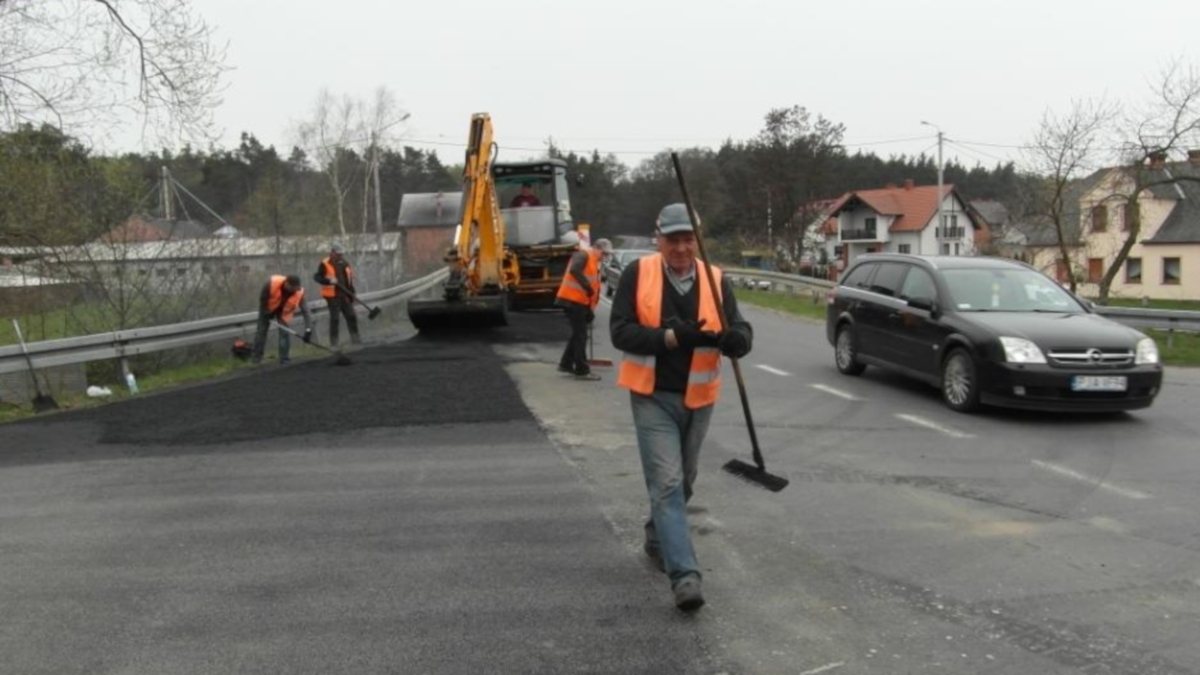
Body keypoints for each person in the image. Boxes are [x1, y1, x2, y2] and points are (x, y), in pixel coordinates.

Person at [610, 203, 753, 612]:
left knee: (683, 480)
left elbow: (739, 325)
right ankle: (685, 576)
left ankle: (657, 535)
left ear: (698, 240)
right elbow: (620, 332)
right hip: (652, 396)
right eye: (673, 239)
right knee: (669, 483)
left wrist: (738, 340)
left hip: (699, 399)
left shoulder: (715, 279)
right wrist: (671, 338)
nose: (681, 247)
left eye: (688, 239)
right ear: (659, 239)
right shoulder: (639, 274)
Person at [555, 238, 612, 380]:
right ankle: (582, 370)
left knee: (577, 334)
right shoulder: (584, 255)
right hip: (571, 300)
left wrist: (589, 310)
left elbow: (594, 289)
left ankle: (566, 364)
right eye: (604, 254)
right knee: (581, 335)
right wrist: (587, 287)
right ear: (597, 248)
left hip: (580, 302)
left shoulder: (594, 261)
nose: (604, 257)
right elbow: (575, 270)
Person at [252, 274, 314, 365]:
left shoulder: (298, 292)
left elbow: (306, 312)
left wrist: (308, 330)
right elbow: (263, 298)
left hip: (283, 311)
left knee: (284, 333)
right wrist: (266, 312)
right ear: (287, 284)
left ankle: (284, 359)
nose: (295, 291)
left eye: (296, 288)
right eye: (293, 288)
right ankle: (256, 359)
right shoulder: (272, 283)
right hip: (267, 308)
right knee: (261, 332)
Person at [313, 241, 361, 346]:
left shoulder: (344, 263)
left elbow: (349, 279)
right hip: (332, 296)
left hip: (344, 294)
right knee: (335, 319)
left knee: (351, 316)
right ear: (333, 252)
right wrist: (328, 281)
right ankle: (334, 344)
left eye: (341, 254)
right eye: (338, 254)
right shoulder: (325, 263)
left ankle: (356, 340)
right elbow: (317, 277)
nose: (340, 255)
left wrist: (352, 293)